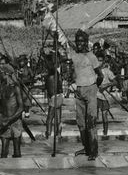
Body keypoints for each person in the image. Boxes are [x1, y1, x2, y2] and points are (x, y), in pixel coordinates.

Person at [62, 29, 103, 160]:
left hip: (90, 89)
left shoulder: (91, 56)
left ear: (86, 42)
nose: (79, 44)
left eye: (82, 41)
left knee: (91, 122)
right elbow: (67, 63)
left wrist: (96, 86)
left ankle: (94, 151)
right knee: (81, 123)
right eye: (77, 41)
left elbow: (100, 75)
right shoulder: (74, 55)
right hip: (79, 91)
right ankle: (86, 148)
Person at [0, 63, 24, 158]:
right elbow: (0, 106)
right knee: (3, 151)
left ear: (6, 74)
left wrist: (10, 118)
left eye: (1, 72)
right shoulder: (2, 87)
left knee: (17, 151)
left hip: (16, 122)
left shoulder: (16, 88)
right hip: (4, 121)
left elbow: (21, 108)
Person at [42, 47, 63, 140]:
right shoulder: (55, 74)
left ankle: (49, 134)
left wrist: (43, 55)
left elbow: (49, 65)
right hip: (59, 97)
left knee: (49, 119)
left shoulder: (52, 72)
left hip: (54, 98)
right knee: (58, 116)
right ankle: (58, 134)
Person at [96, 56, 117, 136]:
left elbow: (115, 82)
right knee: (93, 116)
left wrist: (107, 85)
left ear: (103, 62)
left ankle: (105, 134)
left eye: (100, 60)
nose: (99, 62)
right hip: (94, 96)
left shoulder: (107, 71)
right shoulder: (93, 71)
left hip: (104, 96)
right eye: (97, 61)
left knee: (104, 115)